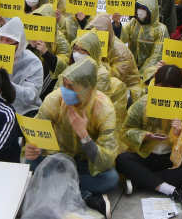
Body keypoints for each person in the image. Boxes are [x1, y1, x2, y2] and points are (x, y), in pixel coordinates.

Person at [25, 57, 119, 218]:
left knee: (111, 178)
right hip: (59, 159)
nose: (65, 90)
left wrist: (84, 135)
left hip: (86, 164)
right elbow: (37, 132)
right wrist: (34, 148)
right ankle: (86, 195)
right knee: (30, 162)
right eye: (64, 85)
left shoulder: (104, 109)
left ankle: (58, 187)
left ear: (88, 88)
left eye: (72, 87)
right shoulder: (54, 100)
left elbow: (105, 160)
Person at [116, 65, 182, 205]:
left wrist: (181, 133)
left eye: (170, 90)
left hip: (173, 159)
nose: (165, 95)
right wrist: (143, 136)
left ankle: (141, 181)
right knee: (122, 160)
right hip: (146, 155)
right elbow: (125, 132)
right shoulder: (142, 103)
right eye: (161, 90)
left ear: (180, 88)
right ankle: (169, 189)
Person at [114, 0, 168, 77]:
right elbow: (121, 38)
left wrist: (142, 74)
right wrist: (117, 25)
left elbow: (156, 56)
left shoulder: (161, 29)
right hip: (132, 68)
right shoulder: (134, 23)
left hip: (150, 73)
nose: (140, 11)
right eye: (138, 8)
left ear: (152, 11)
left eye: (144, 9)